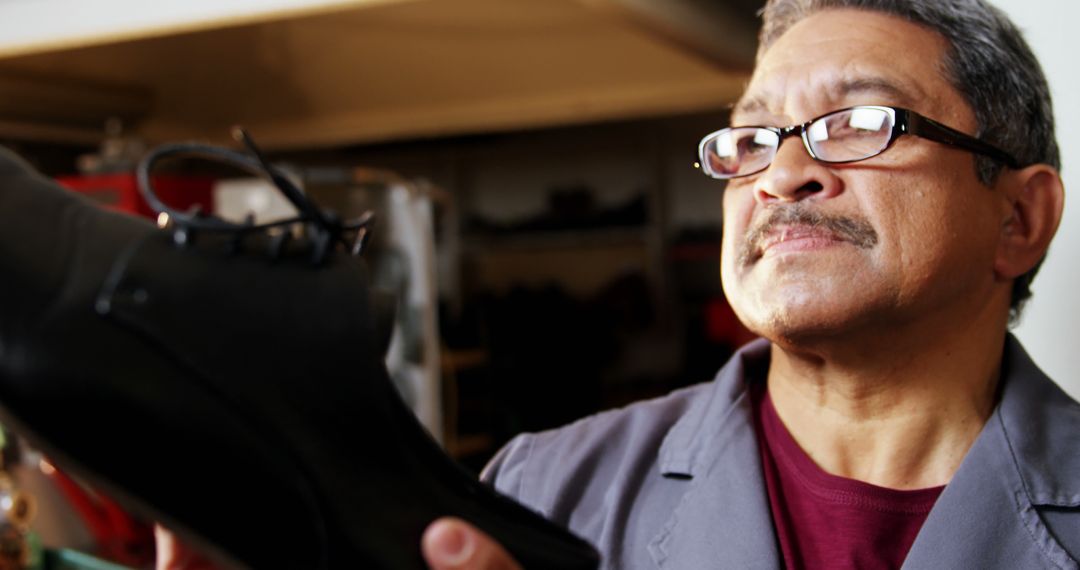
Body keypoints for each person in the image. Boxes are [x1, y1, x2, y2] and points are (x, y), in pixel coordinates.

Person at [417, 0, 1077, 569]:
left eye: (862, 124)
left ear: (1019, 219)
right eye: (752, 139)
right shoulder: (546, 490)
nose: (781, 175)